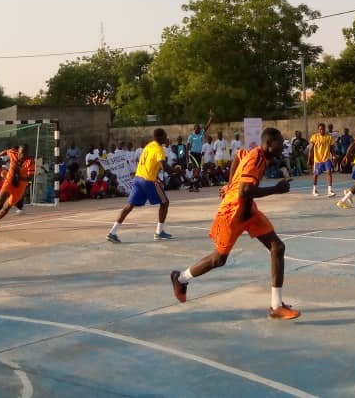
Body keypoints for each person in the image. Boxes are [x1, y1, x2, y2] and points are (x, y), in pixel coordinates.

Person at [170, 127, 299, 320]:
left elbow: (238, 156)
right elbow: (245, 191)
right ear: (269, 145)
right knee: (218, 260)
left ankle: (276, 306)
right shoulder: (256, 158)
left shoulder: (256, 154)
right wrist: (276, 189)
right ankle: (180, 278)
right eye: (280, 144)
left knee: (277, 247)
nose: (283, 147)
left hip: (249, 211)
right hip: (233, 213)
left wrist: (230, 183)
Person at [108, 129, 177, 243]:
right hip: (148, 181)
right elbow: (164, 167)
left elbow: (148, 162)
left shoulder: (149, 145)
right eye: (165, 136)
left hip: (138, 178)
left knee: (129, 206)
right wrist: (177, 171)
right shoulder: (159, 149)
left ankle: (112, 232)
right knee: (165, 203)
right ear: (160, 138)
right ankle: (159, 232)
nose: (166, 138)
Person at [0, 144, 34, 232]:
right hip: (9, 182)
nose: (22, 155)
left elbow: (30, 177)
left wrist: (19, 178)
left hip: (20, 187)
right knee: (0, 200)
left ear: (28, 153)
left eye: (25, 153)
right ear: (18, 152)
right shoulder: (13, 153)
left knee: (6, 207)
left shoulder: (30, 161)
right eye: (21, 153)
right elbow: (4, 152)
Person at [308, 123, 336, 197]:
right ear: (318, 129)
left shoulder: (329, 137)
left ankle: (329, 191)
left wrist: (334, 157)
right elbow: (311, 149)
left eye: (323, 129)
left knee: (329, 172)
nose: (322, 130)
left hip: (326, 158)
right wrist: (309, 159)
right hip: (317, 159)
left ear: (325, 129)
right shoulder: (314, 137)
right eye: (320, 129)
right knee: (316, 174)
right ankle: (314, 190)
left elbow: (332, 148)